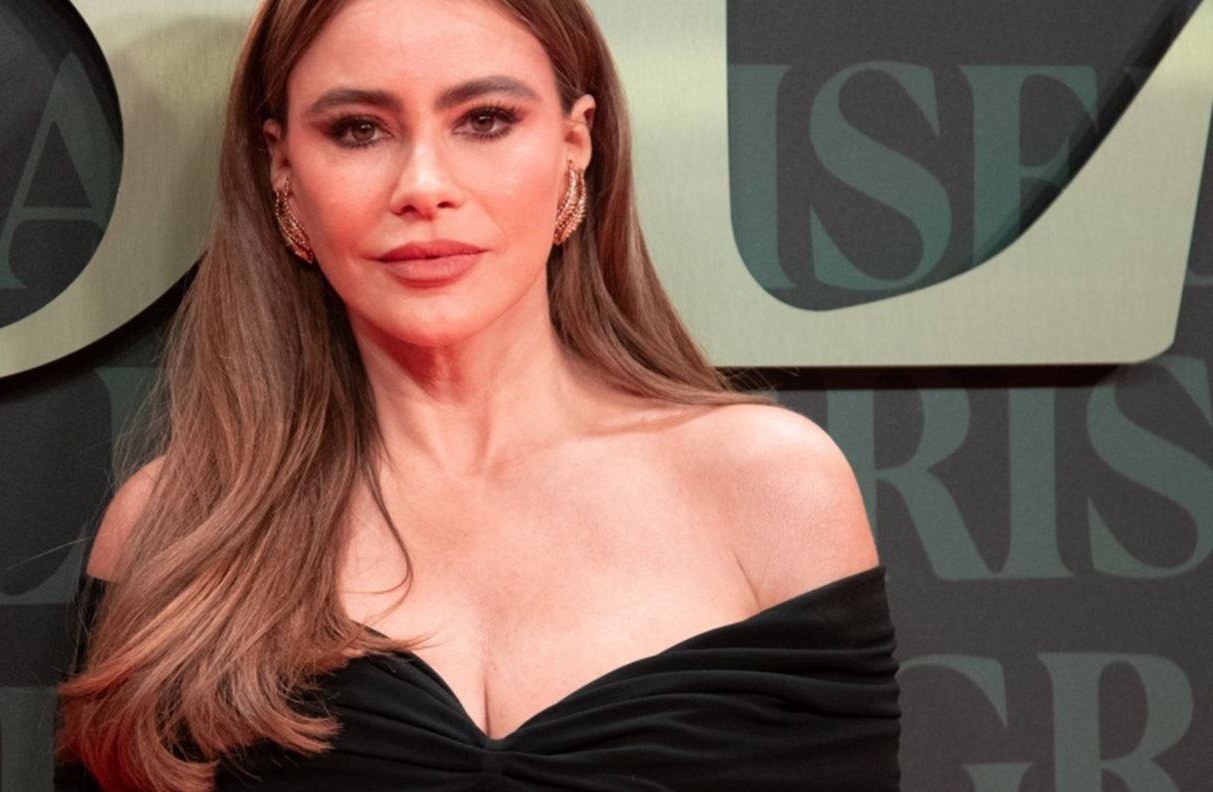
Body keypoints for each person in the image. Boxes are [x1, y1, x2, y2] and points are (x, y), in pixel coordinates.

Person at [56, 0, 900, 790]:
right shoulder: (177, 531)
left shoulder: (767, 489)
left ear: (576, 143)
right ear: (283, 165)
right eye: (358, 130)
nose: (423, 185)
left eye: (485, 120)